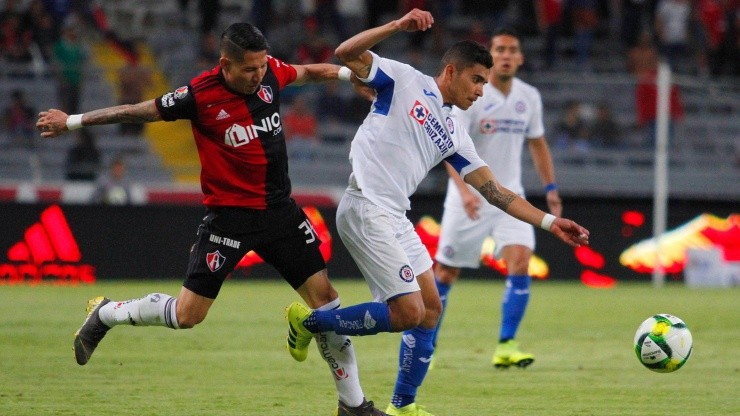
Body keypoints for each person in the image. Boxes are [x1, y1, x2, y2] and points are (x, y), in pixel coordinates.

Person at [36, 22, 386, 416]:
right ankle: (107, 314)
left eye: (261, 67)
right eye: (249, 69)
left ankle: (353, 405)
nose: (259, 75)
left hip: (280, 214)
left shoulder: (269, 71)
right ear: (225, 64)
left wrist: (350, 75)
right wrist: (72, 121)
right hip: (228, 221)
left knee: (326, 304)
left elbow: (307, 72)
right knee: (187, 317)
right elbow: (138, 111)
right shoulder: (198, 95)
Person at [284, 9, 589, 416]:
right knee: (408, 312)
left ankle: (402, 406)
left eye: (485, 81)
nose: (482, 90)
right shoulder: (404, 79)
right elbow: (345, 52)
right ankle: (308, 322)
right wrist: (396, 26)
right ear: (451, 71)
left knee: (430, 311)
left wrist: (551, 223)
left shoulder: (455, 132)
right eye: (477, 79)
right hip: (365, 206)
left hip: (395, 214)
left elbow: (496, 192)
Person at [431, 28, 562, 371]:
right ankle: (424, 345)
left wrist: (551, 190)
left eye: (512, 49)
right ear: (491, 56)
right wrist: (463, 191)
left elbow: (538, 143)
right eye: (500, 49)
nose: (506, 54)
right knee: (445, 274)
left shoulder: (529, 97)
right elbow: (450, 145)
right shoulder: (474, 93)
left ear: (520, 58)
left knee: (520, 261)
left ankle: (507, 344)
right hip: (470, 197)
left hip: (510, 197)